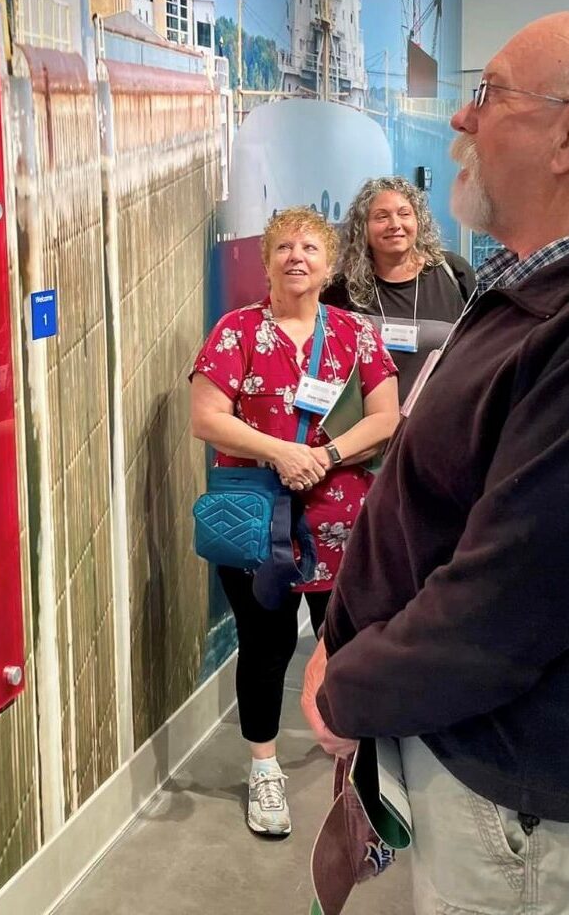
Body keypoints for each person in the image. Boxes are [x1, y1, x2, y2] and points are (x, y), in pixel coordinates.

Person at [305, 12, 569, 914]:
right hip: (470, 752)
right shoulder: (520, 288)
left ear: (564, 138)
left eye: (489, 93)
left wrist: (348, 688)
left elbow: (505, 606)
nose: (460, 118)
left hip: (513, 798)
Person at [190, 207, 399, 837]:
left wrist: (326, 456)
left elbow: (385, 417)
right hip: (257, 523)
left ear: (329, 264)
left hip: (344, 525)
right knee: (265, 647)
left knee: (350, 646)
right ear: (268, 262)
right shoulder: (237, 333)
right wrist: (281, 451)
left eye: (310, 246)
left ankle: (361, 758)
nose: (296, 256)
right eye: (284, 246)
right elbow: (207, 417)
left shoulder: (356, 335)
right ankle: (263, 770)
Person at [322, 177, 475, 402]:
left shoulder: (454, 273)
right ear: (362, 227)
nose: (395, 224)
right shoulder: (341, 290)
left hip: (443, 417)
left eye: (404, 214)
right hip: (367, 427)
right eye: (381, 216)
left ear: (418, 221)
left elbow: (476, 350)